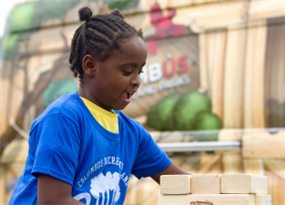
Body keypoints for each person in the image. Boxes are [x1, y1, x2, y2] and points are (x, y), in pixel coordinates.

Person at [9, 7, 189, 205]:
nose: (137, 81)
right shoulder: (64, 118)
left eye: (140, 72)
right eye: (127, 71)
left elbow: (183, 183)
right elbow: (54, 201)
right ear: (90, 66)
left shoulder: (132, 134)